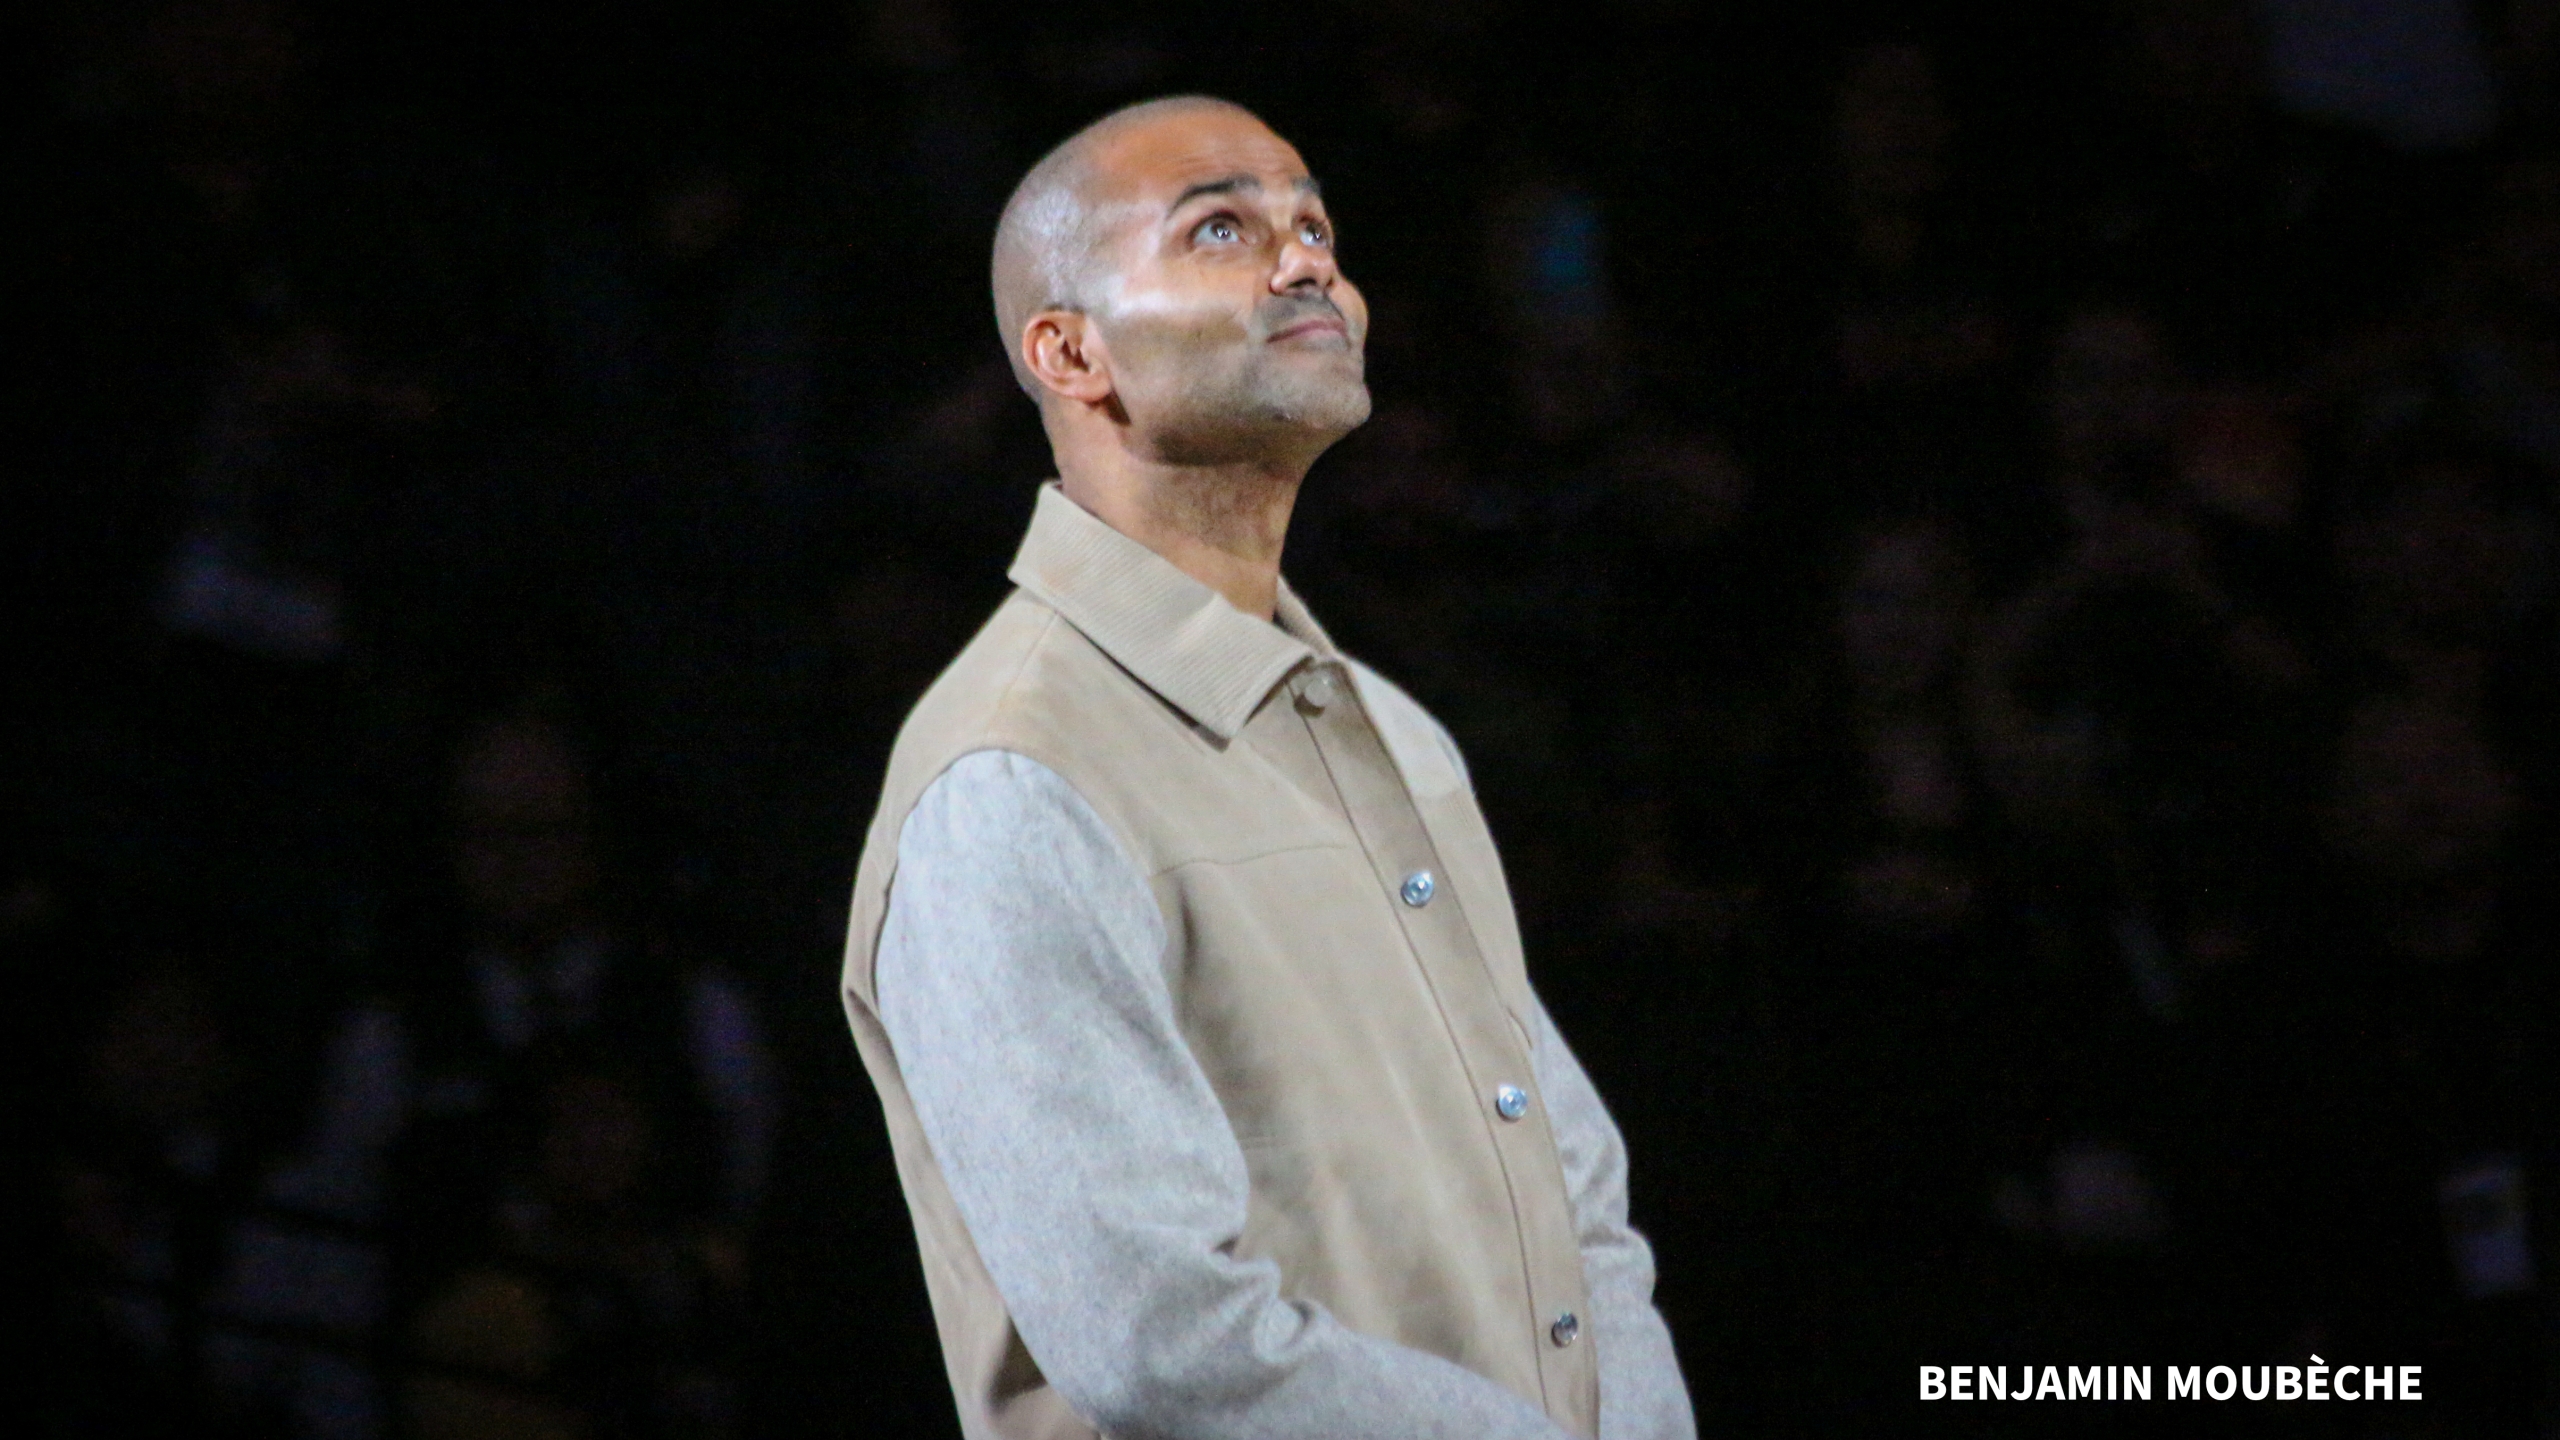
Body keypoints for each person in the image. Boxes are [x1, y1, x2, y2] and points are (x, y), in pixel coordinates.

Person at [836, 96, 1694, 1440]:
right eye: (1222, 228)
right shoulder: (1013, 775)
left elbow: (1573, 1200)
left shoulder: (1397, 734)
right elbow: (1158, 1341)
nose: (1306, 265)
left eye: (1316, 228)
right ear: (1068, 351)